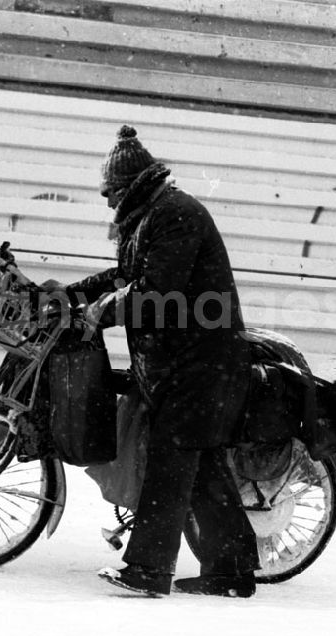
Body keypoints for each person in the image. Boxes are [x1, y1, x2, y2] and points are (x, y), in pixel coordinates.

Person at [56, 125, 258, 597]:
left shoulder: (175, 215)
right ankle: (231, 572)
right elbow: (127, 276)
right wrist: (71, 293)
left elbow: (156, 293)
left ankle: (148, 570)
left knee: (170, 467)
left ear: (130, 186)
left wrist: (99, 311)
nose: (107, 203)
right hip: (183, 362)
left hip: (201, 363)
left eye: (110, 193)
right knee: (203, 469)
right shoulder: (148, 217)